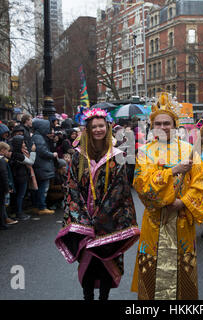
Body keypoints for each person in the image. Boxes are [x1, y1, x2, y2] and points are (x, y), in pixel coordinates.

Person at [55, 108, 140, 300]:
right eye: (94, 127)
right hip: (84, 220)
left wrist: (102, 216)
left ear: (107, 127)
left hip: (109, 220)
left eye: (101, 126)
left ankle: (104, 297)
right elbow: (72, 186)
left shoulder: (117, 155)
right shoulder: (78, 155)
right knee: (88, 265)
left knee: (106, 262)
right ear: (88, 129)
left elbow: (121, 189)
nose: (98, 130)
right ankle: (87, 297)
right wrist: (82, 217)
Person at [131, 93, 203, 300]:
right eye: (158, 123)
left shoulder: (189, 150)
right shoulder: (145, 152)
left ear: (175, 125)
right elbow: (141, 185)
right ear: (152, 126)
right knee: (153, 266)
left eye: (167, 123)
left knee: (181, 267)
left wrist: (181, 202)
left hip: (181, 220)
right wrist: (172, 171)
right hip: (155, 220)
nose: (163, 127)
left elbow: (200, 185)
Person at [31, 119, 58, 215]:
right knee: (43, 188)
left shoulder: (38, 137)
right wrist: (52, 154)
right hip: (42, 166)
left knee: (37, 188)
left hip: (40, 166)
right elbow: (42, 152)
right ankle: (42, 207)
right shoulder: (39, 138)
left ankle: (36, 206)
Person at [9, 136, 35, 221]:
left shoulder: (14, 153)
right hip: (21, 177)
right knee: (20, 196)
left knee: (18, 195)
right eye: (23, 143)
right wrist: (33, 152)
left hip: (18, 176)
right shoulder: (18, 155)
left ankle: (17, 212)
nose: (24, 144)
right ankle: (19, 213)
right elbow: (31, 162)